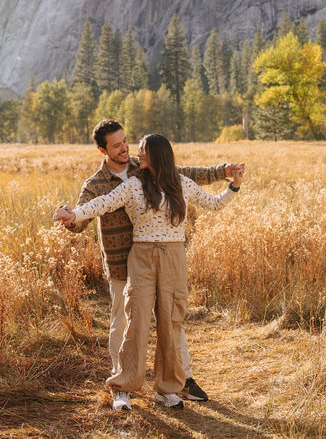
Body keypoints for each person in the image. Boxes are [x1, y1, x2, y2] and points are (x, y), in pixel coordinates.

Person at [55, 119, 243, 407]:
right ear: (103, 150)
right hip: (129, 261)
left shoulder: (170, 179)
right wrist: (73, 216)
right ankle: (124, 387)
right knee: (132, 323)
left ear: (155, 155)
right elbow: (100, 204)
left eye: (131, 144)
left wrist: (230, 181)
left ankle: (171, 386)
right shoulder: (119, 183)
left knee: (171, 321)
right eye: (117, 145)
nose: (129, 151)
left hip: (172, 257)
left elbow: (206, 194)